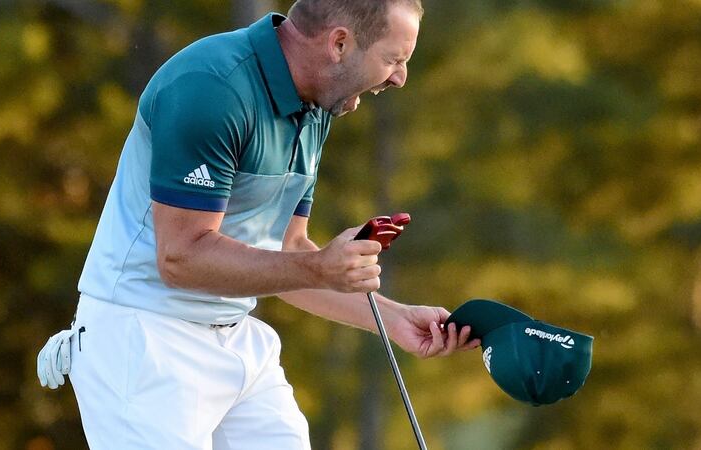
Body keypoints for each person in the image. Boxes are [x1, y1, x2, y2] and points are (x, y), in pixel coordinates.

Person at [37, 1, 480, 448]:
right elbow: (180, 257)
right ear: (340, 43)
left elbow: (288, 254)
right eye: (394, 59)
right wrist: (322, 267)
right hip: (142, 340)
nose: (399, 77)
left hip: (235, 338)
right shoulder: (211, 87)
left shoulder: (317, 106)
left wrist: (397, 318)